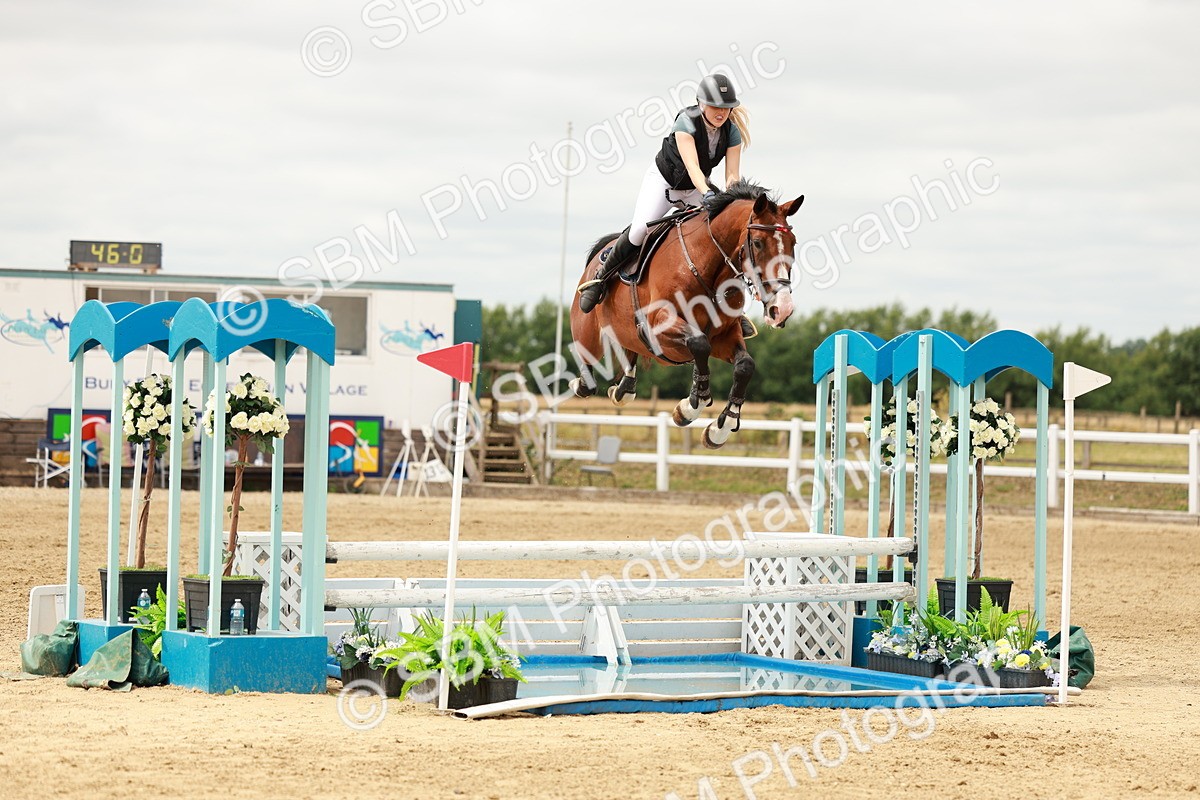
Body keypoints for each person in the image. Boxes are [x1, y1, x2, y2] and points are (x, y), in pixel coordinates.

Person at [578, 73, 750, 313]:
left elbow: (732, 174)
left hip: (696, 188)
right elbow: (692, 167)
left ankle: (728, 306)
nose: (720, 112)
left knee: (720, 231)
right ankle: (599, 279)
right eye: (714, 106)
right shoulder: (686, 122)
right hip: (664, 183)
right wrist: (708, 194)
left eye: (726, 108)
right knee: (640, 229)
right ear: (701, 103)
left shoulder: (731, 132)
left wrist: (732, 199)